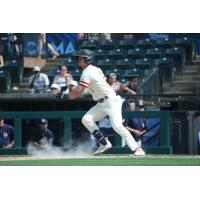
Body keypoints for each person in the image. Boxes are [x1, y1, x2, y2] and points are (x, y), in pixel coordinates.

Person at [58, 49, 145, 156]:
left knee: (117, 126)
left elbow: (76, 93)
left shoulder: (87, 73)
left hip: (111, 101)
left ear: (87, 59)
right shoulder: (96, 69)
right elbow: (100, 81)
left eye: (81, 58)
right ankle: (104, 143)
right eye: (79, 57)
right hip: (102, 102)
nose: (78, 59)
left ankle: (137, 149)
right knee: (86, 119)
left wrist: (66, 96)